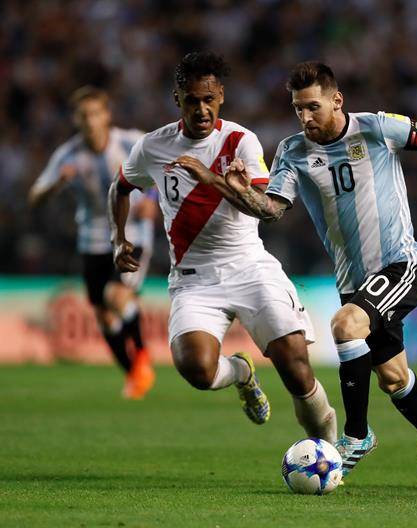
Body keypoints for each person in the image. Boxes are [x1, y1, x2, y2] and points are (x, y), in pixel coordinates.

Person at [217, 61, 417, 487]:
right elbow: (272, 210)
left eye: (313, 107)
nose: (305, 117)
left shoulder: (377, 128)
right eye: (298, 109)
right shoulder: (292, 151)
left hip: (400, 265)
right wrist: (240, 192)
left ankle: (356, 435)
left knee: (345, 326)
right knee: (393, 378)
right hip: (354, 281)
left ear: (337, 100)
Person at [108, 52, 337, 442]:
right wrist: (118, 239)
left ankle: (329, 454)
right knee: (197, 370)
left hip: (249, 267)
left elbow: (266, 210)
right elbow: (120, 187)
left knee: (295, 364)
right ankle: (242, 372)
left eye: (209, 99)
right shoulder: (153, 147)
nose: (201, 109)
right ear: (177, 98)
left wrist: (214, 180)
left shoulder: (239, 141)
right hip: (194, 279)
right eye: (192, 100)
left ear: (222, 97)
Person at [29, 86, 156, 400]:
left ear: (107, 116)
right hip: (92, 240)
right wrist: (57, 183)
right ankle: (134, 373)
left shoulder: (130, 142)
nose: (90, 120)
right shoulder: (68, 155)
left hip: (132, 234)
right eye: (84, 115)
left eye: (96, 113)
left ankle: (142, 355)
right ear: (76, 119)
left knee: (116, 295)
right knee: (103, 316)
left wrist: (152, 199)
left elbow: (166, 167)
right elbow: (34, 197)